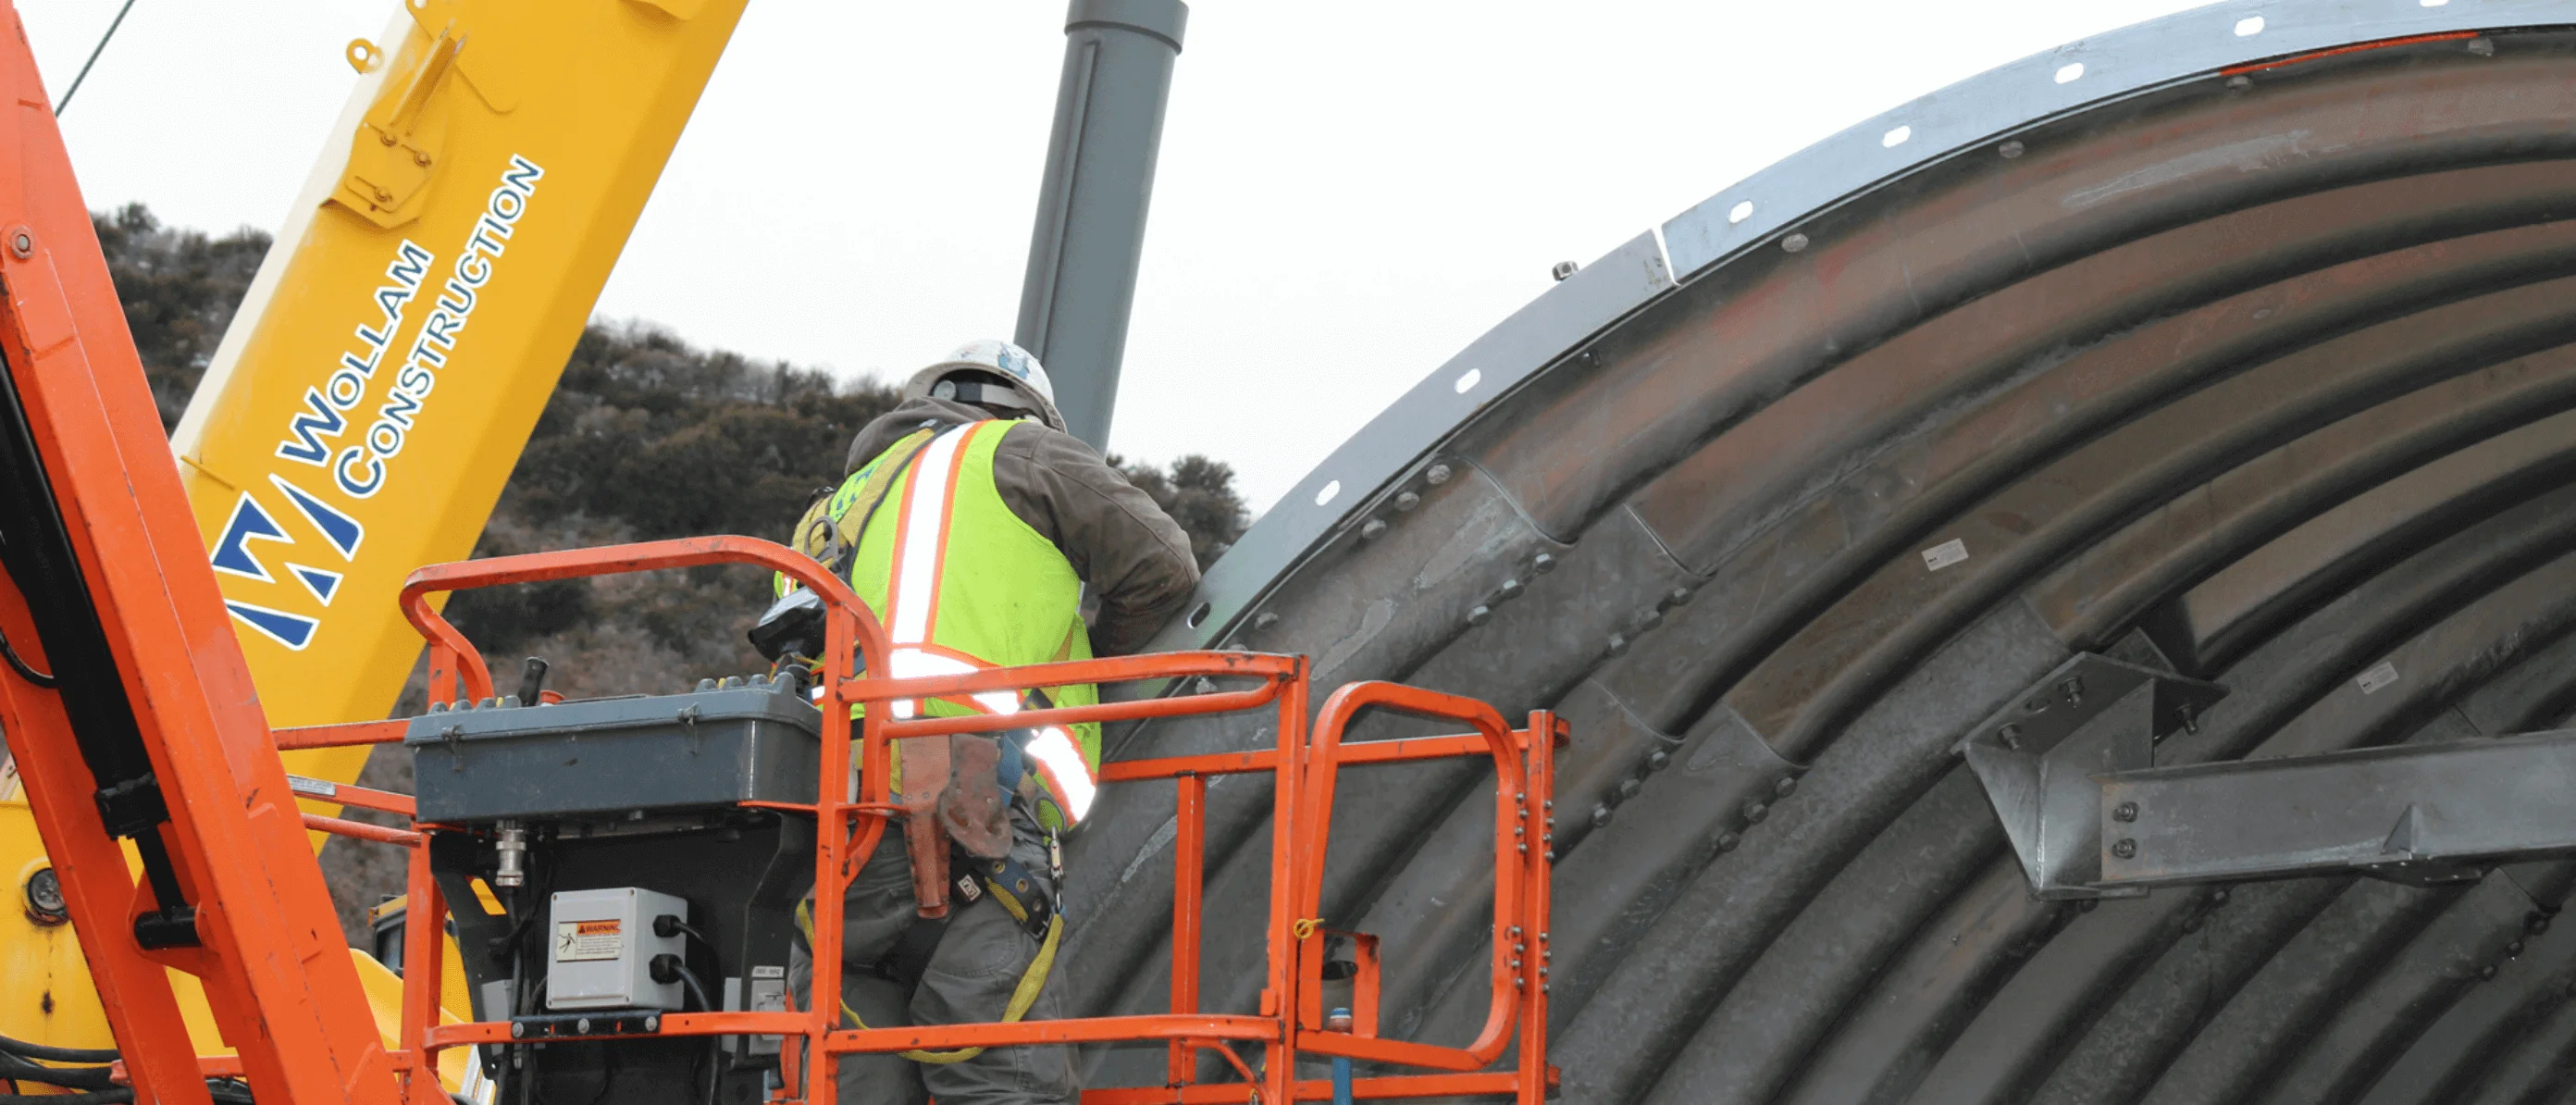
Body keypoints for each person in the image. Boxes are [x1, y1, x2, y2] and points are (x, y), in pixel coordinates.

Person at [774, 339, 1199, 1104]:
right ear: (1027, 409)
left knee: (845, 1080)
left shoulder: (824, 517)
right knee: (1000, 1082)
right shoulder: (1022, 451)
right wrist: (1090, 670)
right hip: (977, 805)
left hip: (833, 832)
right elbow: (1163, 566)